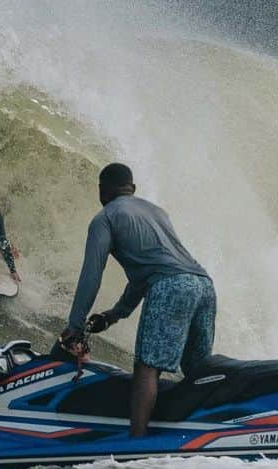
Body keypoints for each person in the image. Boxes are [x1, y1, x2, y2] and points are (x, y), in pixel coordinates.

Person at [60, 162, 214, 437]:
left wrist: (74, 325)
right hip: (203, 284)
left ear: (102, 191)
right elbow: (150, 271)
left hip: (171, 286)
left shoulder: (105, 217)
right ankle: (207, 431)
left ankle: (136, 442)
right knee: (196, 371)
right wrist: (113, 315)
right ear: (132, 188)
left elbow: (91, 275)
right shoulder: (157, 212)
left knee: (146, 370)